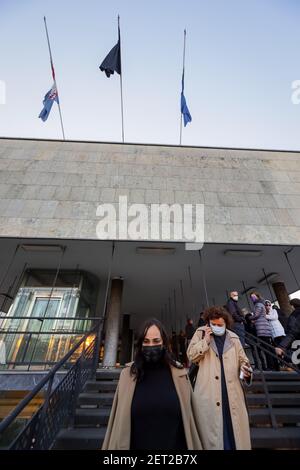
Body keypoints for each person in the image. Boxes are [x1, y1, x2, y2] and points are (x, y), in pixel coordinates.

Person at [102, 318, 202, 450]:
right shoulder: (127, 375)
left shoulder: (180, 375)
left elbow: (191, 422)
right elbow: (117, 424)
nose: (151, 345)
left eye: (156, 341)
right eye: (146, 341)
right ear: (140, 344)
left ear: (164, 343)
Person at [187, 306, 252, 450]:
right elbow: (191, 355)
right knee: (213, 434)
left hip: (231, 392)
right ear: (208, 322)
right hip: (208, 391)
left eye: (220, 325)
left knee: (233, 431)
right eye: (213, 324)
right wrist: (206, 341)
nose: (216, 327)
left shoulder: (233, 337)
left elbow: (244, 361)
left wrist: (246, 371)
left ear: (226, 323)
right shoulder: (200, 332)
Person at [250, 291, 278, 371]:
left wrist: (249, 317)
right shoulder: (261, 304)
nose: (252, 298)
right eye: (251, 297)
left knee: (266, 349)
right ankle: (274, 366)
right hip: (264, 328)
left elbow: (257, 315)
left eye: (254, 296)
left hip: (262, 329)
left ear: (257, 296)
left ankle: (271, 366)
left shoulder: (258, 305)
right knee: (268, 348)